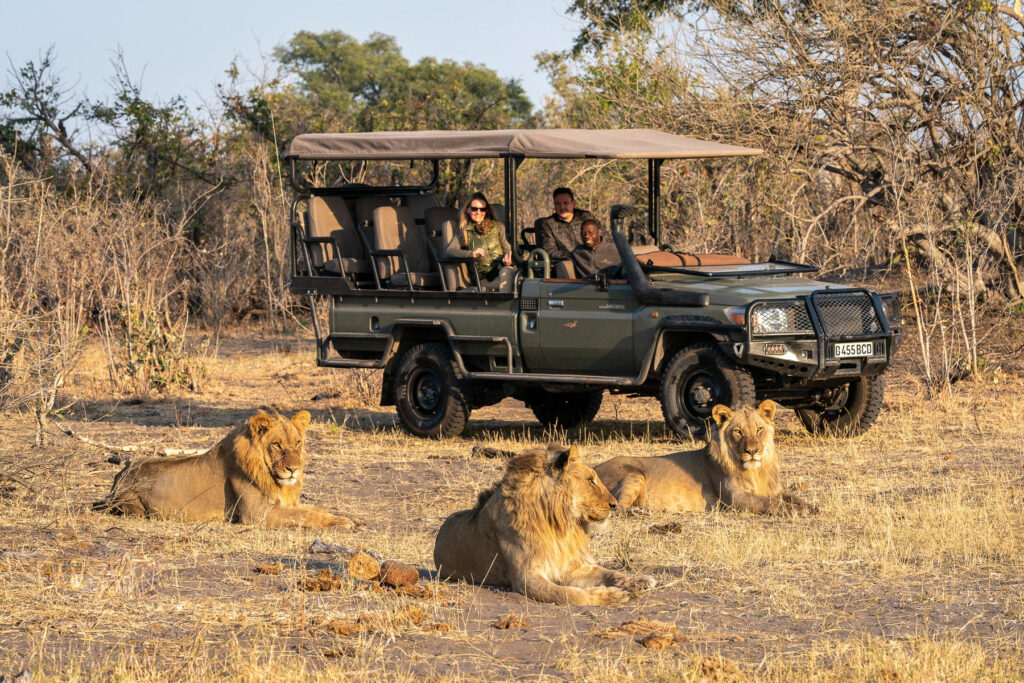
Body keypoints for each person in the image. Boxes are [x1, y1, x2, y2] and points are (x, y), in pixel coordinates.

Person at [445, 192, 514, 290]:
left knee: (508, 273)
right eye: (474, 209)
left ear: (486, 211)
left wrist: (509, 261)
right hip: (485, 278)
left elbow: (509, 250)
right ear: (468, 210)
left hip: (503, 270)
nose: (478, 212)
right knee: (513, 283)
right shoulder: (464, 230)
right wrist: (471, 253)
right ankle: (504, 304)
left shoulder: (499, 226)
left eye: (482, 209)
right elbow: (450, 250)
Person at [534, 187, 596, 261]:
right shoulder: (548, 224)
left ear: (573, 204)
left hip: (592, 260)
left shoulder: (586, 217)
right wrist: (577, 256)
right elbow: (551, 252)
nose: (562, 207)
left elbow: (600, 238)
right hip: (566, 265)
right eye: (558, 204)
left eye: (565, 203)